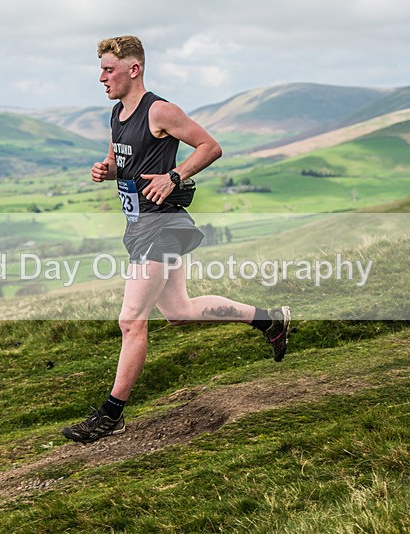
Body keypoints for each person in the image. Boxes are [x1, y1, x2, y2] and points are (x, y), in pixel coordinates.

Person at [62, 36, 290, 444]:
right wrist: (106, 171)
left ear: (133, 69)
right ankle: (269, 319)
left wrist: (174, 176)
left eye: (108, 69)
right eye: (100, 69)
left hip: (162, 226)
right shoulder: (117, 114)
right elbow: (122, 163)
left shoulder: (160, 110)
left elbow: (210, 146)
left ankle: (111, 414)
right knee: (179, 311)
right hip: (139, 225)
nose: (101, 77)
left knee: (131, 321)